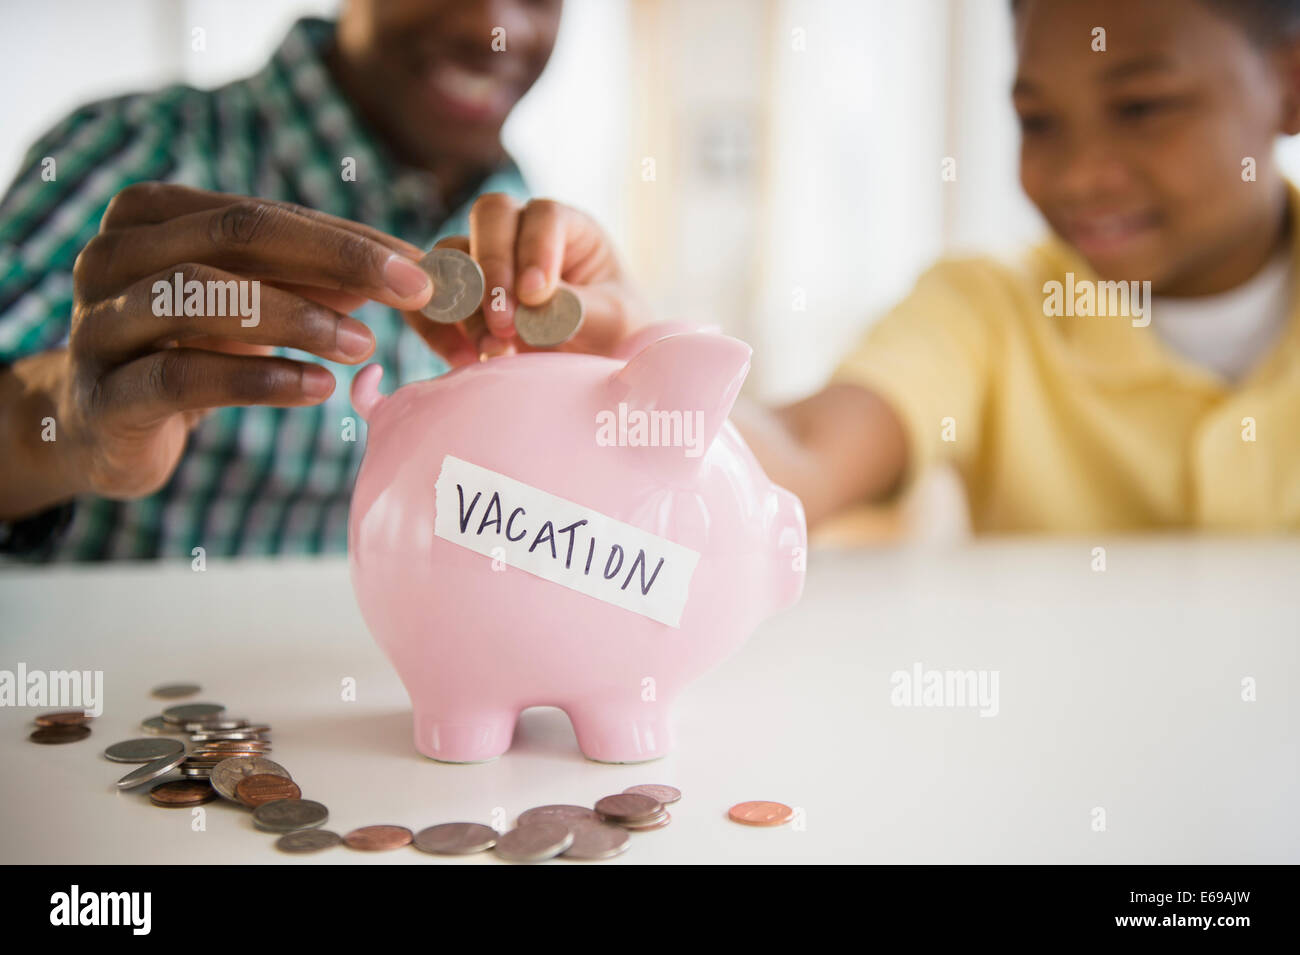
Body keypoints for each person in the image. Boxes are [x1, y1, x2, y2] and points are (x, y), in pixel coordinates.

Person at [0, 0, 648, 560]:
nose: (491, 25)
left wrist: (642, 367)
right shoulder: (137, 147)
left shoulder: (544, 229)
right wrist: (58, 425)